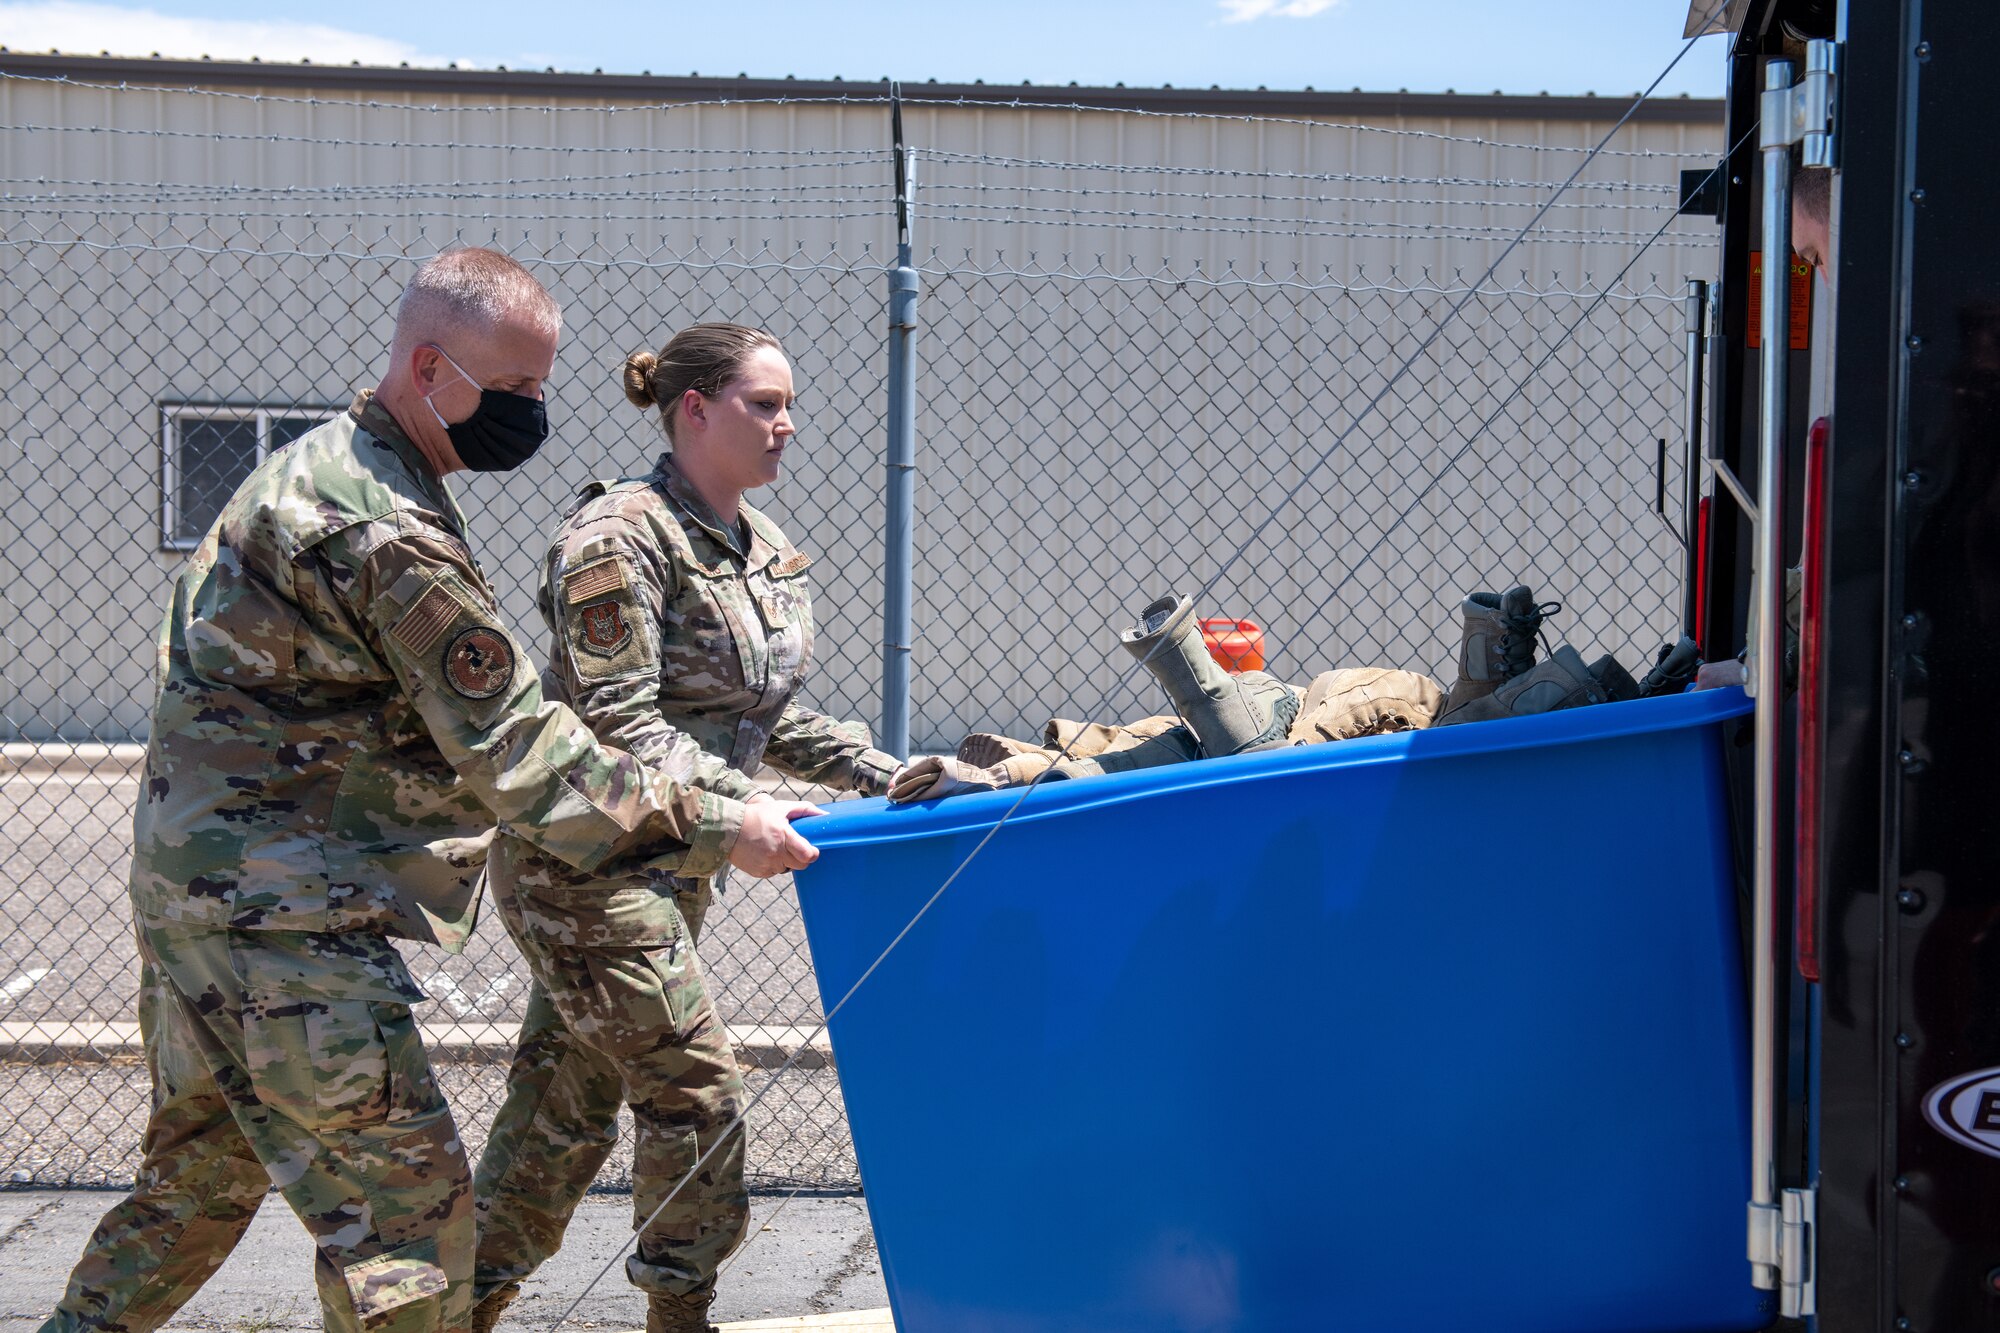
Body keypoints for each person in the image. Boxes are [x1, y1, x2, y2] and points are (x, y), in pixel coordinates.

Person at [38, 249, 819, 1333]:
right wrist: (721, 821)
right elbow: (519, 755)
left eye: (541, 388)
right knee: (407, 1229)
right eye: (513, 392)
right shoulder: (385, 529)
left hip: (206, 905)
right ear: (428, 366)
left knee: (197, 1193)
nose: (533, 413)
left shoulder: (327, 468)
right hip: (286, 929)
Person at [469, 324, 900, 1333]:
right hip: (586, 867)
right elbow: (623, 724)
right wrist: (738, 811)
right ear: (693, 409)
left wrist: (899, 776)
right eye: (762, 403)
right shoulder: (616, 539)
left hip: (675, 867)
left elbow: (766, 714)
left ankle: (452, 1309)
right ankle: (678, 1315)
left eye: (789, 403)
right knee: (695, 1097)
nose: (785, 424)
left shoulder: (766, 551)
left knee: (557, 1122)